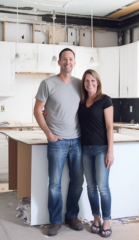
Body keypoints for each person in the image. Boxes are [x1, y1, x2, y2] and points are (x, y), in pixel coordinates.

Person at [33, 48, 84, 237]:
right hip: (57, 142)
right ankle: (55, 221)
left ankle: (71, 216)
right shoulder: (47, 84)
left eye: (71, 59)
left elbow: (88, 107)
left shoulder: (80, 84)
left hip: (77, 141)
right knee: (54, 183)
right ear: (59, 62)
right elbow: (38, 110)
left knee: (78, 182)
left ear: (74, 62)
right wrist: (49, 134)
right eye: (64, 59)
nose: (67, 62)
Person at [78, 69, 114, 238]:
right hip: (85, 149)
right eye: (87, 81)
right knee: (91, 187)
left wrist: (110, 151)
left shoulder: (105, 100)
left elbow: (109, 127)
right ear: (84, 83)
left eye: (92, 80)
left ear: (97, 82)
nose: (89, 83)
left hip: (101, 149)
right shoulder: (81, 101)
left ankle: (106, 220)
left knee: (103, 187)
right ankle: (96, 218)